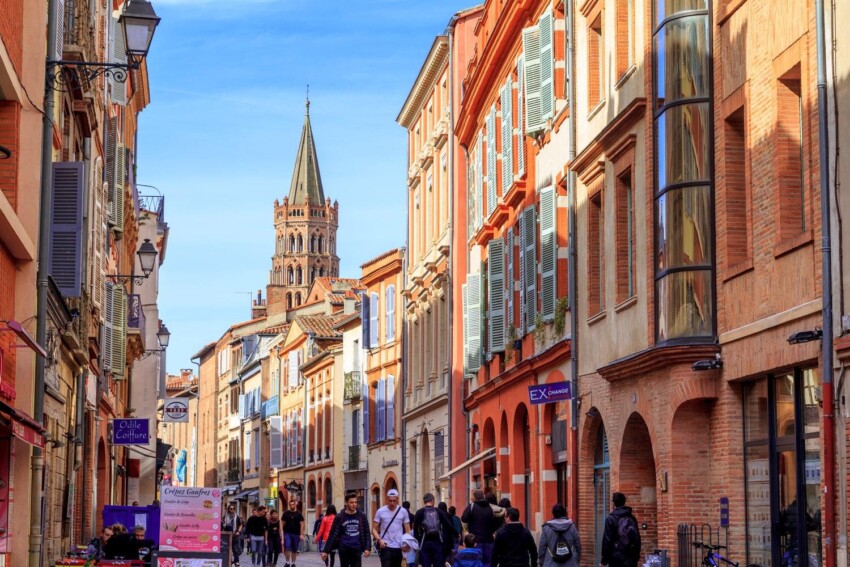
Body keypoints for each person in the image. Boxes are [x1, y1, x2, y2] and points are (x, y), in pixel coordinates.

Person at [322, 492, 372, 567]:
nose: (354, 504)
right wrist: (326, 550)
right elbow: (332, 534)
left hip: (357, 548)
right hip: (344, 549)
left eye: (355, 502)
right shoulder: (340, 517)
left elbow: (367, 532)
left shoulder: (362, 516)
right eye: (351, 502)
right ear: (346, 503)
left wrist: (368, 548)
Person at [414, 493, 455, 567]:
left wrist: (419, 539)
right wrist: (456, 534)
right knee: (438, 564)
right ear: (433, 500)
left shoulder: (419, 512)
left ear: (424, 501)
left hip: (424, 542)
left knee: (426, 564)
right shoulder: (439, 511)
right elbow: (448, 525)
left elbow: (415, 529)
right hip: (437, 541)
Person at [373, 488, 411, 567]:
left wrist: (407, 543)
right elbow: (373, 529)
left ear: (398, 499)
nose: (392, 503)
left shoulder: (403, 511)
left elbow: (407, 529)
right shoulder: (380, 511)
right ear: (387, 499)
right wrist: (380, 540)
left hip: (398, 546)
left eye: (394, 501)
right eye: (390, 500)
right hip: (386, 545)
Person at [601, 493, 640, 567]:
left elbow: (607, 540)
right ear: (624, 502)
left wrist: (604, 560)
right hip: (631, 558)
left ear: (614, 504)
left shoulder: (611, 519)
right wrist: (636, 556)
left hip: (616, 559)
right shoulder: (631, 517)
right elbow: (637, 539)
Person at [461, 489, 496, 567]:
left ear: (474, 497)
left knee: (476, 561)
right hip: (489, 540)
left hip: (476, 540)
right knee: (488, 561)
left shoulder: (472, 506)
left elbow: (464, 518)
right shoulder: (489, 507)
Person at [282, 499, 305, 567]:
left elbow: (302, 524)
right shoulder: (286, 513)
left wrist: (301, 534)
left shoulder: (299, 514)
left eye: (293, 504)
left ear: (295, 505)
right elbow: (282, 523)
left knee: (295, 549)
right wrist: (281, 534)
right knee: (287, 547)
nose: (292, 506)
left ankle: (293, 563)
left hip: (296, 534)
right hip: (287, 533)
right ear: (289, 505)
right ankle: (287, 562)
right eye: (290, 504)